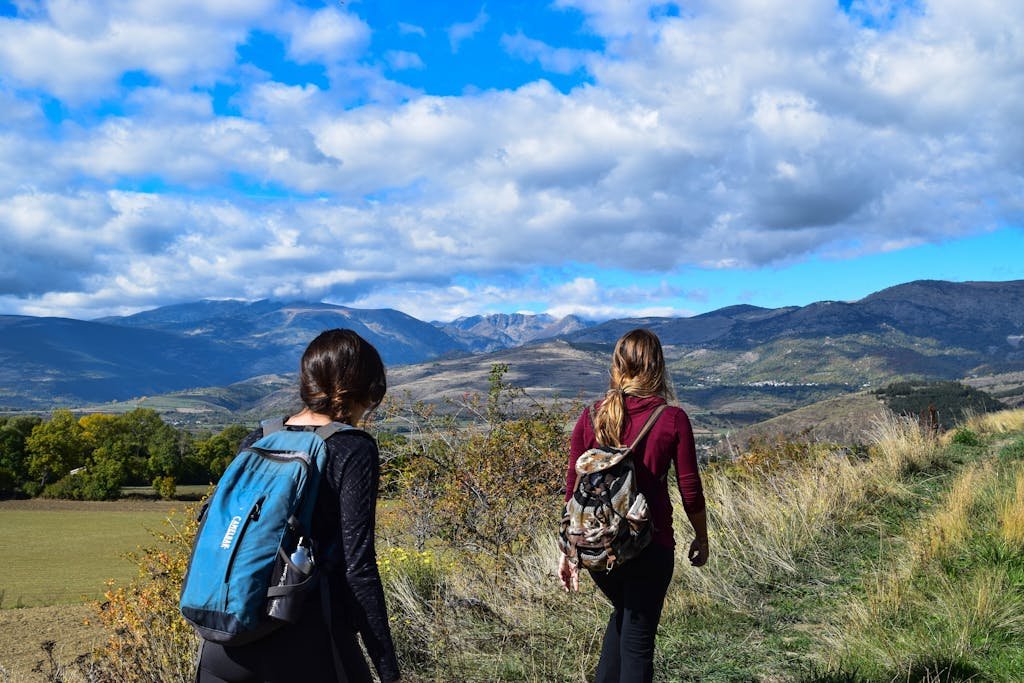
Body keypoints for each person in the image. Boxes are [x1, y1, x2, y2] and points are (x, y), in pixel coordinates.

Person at [197, 329, 401, 683]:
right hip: (307, 640)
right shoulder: (352, 448)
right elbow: (359, 568)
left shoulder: (260, 438)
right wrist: (388, 669)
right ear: (364, 389)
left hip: (224, 641)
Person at [558, 328, 708, 683]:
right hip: (649, 546)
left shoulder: (591, 415)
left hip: (598, 548)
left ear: (616, 365)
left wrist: (567, 550)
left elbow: (573, 486)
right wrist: (702, 538)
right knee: (638, 646)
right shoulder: (671, 419)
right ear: (658, 366)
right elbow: (690, 489)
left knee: (624, 622)